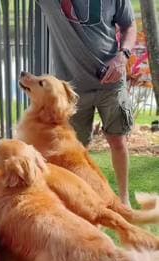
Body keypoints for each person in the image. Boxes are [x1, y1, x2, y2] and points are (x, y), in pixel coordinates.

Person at [38, 0, 137, 206]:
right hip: (72, 89)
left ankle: (124, 199)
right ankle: (77, 201)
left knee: (118, 142)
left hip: (111, 82)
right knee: (74, 149)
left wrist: (123, 56)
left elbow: (129, 25)